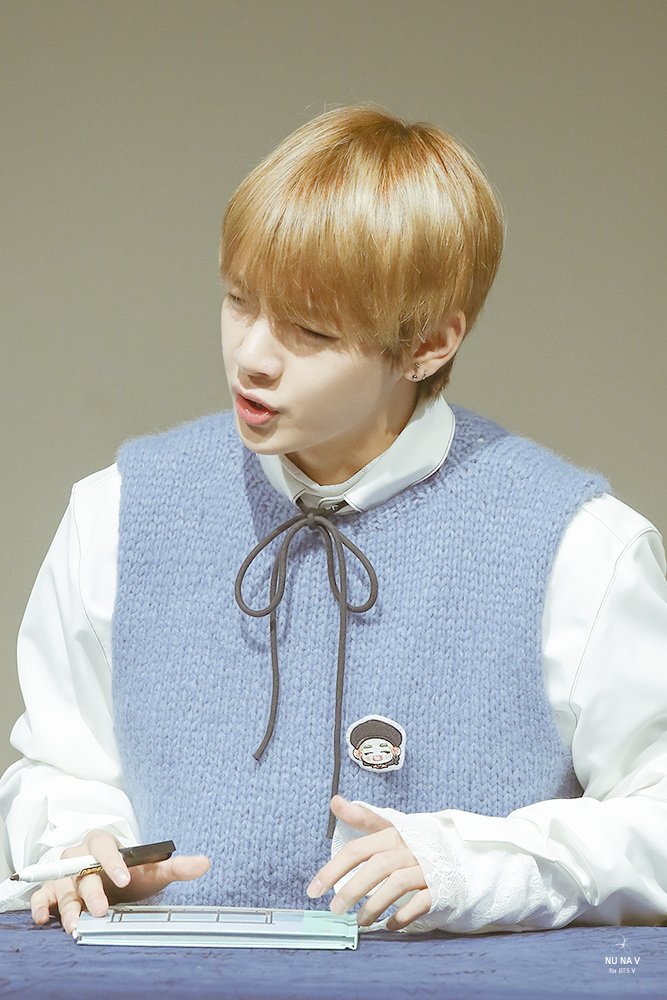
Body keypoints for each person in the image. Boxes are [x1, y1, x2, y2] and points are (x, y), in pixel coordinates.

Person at [1, 104, 666, 938]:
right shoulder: (118, 512)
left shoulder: (578, 546)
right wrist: (78, 846)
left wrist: (475, 865)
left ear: (428, 344)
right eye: (238, 301)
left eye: (309, 331)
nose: (252, 356)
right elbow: (57, 767)